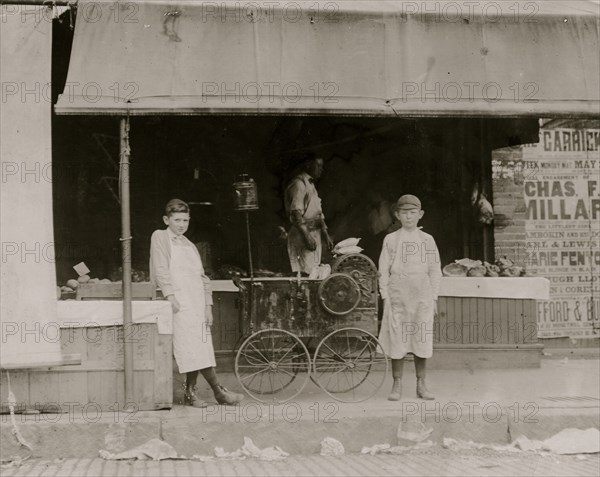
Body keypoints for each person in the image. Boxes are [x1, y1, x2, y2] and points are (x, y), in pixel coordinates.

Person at [150, 199, 244, 407]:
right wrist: (170, 296)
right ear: (167, 219)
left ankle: (193, 393)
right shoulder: (160, 237)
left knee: (200, 348)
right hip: (178, 304)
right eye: (177, 220)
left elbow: (202, 278)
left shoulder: (189, 245)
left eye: (185, 220)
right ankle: (216, 391)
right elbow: (161, 269)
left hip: (196, 304)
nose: (181, 224)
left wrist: (208, 306)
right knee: (190, 348)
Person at [378, 194, 442, 401]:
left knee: (420, 338)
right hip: (398, 295)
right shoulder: (391, 239)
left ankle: (421, 385)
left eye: (412, 213)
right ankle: (397, 384)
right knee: (398, 338)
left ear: (420, 215)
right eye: (404, 213)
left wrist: (433, 298)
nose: (408, 217)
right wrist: (385, 296)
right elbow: (383, 270)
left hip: (421, 295)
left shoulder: (427, 240)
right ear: (397, 215)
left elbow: (435, 270)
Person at [284, 154, 334, 274]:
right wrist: (307, 236)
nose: (321, 169)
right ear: (308, 164)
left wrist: (325, 233)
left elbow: (318, 213)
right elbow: (296, 214)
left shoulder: (311, 185)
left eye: (322, 166)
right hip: (303, 236)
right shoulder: (299, 184)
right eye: (318, 165)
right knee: (306, 275)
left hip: (313, 234)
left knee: (314, 273)